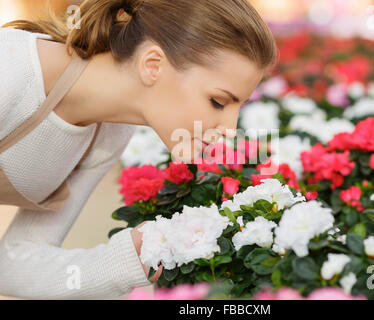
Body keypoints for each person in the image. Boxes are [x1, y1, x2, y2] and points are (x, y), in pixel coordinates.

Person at [0, 0, 277, 299]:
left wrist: (127, 259)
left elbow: (13, 265)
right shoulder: (10, 68)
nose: (230, 129)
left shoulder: (110, 133)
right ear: (152, 65)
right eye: (218, 102)